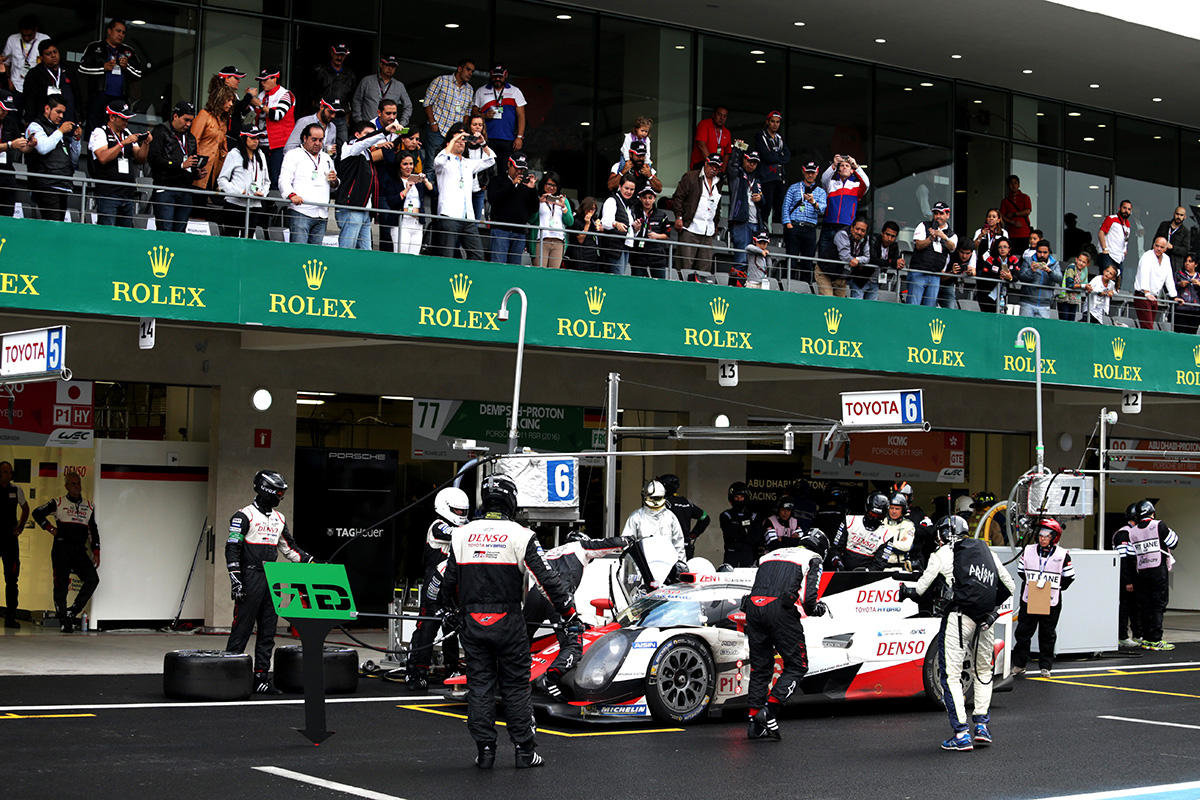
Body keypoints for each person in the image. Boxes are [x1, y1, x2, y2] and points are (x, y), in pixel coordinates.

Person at [436, 474, 580, 769]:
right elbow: (549, 580)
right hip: (509, 620)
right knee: (515, 687)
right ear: (510, 500)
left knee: (480, 687)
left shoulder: (461, 534)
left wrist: (451, 611)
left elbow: (446, 583)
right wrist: (569, 615)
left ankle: (485, 752)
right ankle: (525, 752)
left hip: (473, 622)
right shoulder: (521, 534)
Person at [898, 515, 1014, 751]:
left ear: (942, 534)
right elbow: (1010, 586)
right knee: (983, 671)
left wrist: (907, 591)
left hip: (959, 618)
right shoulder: (986, 552)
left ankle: (961, 733)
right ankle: (982, 726)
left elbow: (921, 589)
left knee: (950, 675)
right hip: (985, 618)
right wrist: (991, 611)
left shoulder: (941, 555)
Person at [224, 470, 314, 694]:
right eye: (278, 492)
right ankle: (230, 675)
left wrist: (312, 563)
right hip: (249, 576)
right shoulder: (243, 516)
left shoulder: (279, 519)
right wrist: (236, 579)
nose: (280, 496)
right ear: (265, 489)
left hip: (272, 577)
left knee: (268, 631)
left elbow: (289, 549)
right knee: (241, 629)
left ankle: (261, 678)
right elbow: (232, 548)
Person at [744, 531, 829, 741]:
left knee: (760, 666)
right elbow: (809, 602)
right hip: (779, 610)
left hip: (753, 607)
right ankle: (769, 710)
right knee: (798, 665)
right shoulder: (813, 558)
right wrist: (819, 609)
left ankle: (754, 723)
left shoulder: (771, 554)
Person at [407, 487, 470, 691]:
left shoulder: (466, 528)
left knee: (453, 628)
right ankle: (416, 671)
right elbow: (460, 535)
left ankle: (452, 669)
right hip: (433, 585)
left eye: (463, 511)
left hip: (454, 587)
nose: (461, 515)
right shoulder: (438, 526)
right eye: (457, 511)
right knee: (427, 629)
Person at [33, 472, 100, 633]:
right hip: (61, 549)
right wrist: (50, 528)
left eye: (78, 483)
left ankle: (72, 612)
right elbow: (37, 513)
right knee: (61, 585)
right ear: (67, 486)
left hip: (79, 550)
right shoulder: (58, 502)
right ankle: (64, 621)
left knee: (92, 579)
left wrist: (97, 550)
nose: (77, 487)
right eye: (73, 484)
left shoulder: (89, 506)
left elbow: (93, 530)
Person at [1012, 518, 1074, 678]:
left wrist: (1053, 587)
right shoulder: (1028, 550)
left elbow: (1069, 576)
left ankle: (1045, 666)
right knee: (1023, 632)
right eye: (1040, 535)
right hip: (1030, 596)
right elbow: (1021, 571)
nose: (1043, 538)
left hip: (1051, 599)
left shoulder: (1063, 554)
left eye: (1047, 536)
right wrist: (1035, 585)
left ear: (1054, 537)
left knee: (1047, 634)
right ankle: (1019, 664)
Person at [336, 118, 399, 250]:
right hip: (351, 208)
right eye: (367, 134)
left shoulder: (368, 153)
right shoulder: (350, 147)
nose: (372, 138)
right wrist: (384, 131)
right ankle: (341, 271)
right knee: (346, 250)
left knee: (366, 253)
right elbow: (364, 142)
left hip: (365, 210)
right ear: (357, 135)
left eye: (373, 134)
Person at [1126, 499, 1179, 651]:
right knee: (1158, 605)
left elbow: (1131, 555)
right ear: (1152, 513)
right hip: (1158, 570)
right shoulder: (1158, 525)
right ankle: (1156, 639)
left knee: (1145, 605)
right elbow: (1173, 542)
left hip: (1142, 571)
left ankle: (1147, 639)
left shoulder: (1133, 531)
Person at [433, 129, 495, 260]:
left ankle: (470, 280)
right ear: (449, 143)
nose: (461, 142)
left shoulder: (468, 163)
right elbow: (438, 161)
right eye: (458, 140)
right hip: (449, 215)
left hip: (468, 218)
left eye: (463, 140)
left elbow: (490, 160)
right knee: (447, 256)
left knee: (477, 255)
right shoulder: (444, 161)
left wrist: (483, 143)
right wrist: (456, 138)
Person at [88, 100, 150, 227]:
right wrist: (122, 143)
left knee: (126, 234)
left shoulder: (126, 133)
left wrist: (146, 143)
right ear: (112, 117)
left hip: (127, 193)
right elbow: (102, 157)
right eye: (123, 118)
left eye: (127, 119)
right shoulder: (100, 132)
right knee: (108, 232)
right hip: (108, 193)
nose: (126, 122)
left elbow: (140, 158)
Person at [279, 122, 339, 245]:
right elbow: (283, 180)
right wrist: (291, 195)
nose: (318, 143)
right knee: (299, 253)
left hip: (322, 214)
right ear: (304, 138)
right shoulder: (293, 154)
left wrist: (335, 181)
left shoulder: (326, 158)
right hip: (301, 211)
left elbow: (335, 184)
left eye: (321, 140)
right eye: (314, 139)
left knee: (314, 256)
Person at [78, 19, 142, 128]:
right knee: (95, 130)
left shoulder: (128, 51)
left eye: (123, 32)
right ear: (109, 31)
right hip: (99, 96)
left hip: (120, 98)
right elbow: (82, 69)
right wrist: (103, 68)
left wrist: (127, 67)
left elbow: (139, 74)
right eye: (118, 31)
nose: (121, 35)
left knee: (117, 130)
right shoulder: (94, 47)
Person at [25, 97, 81, 221]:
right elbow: (43, 148)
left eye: (63, 113)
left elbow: (74, 160)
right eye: (58, 112)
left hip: (63, 184)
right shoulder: (35, 126)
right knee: (52, 227)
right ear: (47, 109)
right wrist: (60, 131)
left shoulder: (58, 130)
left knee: (58, 227)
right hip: (46, 185)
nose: (61, 116)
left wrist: (76, 140)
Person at [148, 101, 200, 232]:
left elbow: (190, 164)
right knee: (165, 231)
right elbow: (154, 160)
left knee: (181, 232)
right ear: (175, 116)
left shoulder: (191, 138)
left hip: (185, 190)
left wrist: (196, 172)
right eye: (186, 120)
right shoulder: (160, 131)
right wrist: (181, 165)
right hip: (165, 188)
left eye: (191, 121)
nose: (188, 124)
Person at [217, 125, 271, 237]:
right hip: (235, 204)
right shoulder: (234, 154)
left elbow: (267, 181)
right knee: (231, 240)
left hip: (254, 205)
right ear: (243, 138)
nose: (256, 141)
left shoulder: (261, 155)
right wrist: (237, 192)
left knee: (248, 239)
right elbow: (222, 179)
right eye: (252, 138)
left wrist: (263, 193)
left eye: (258, 138)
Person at [620, 479, 687, 571]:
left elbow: (678, 544)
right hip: (643, 568)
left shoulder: (670, 517)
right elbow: (626, 543)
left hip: (667, 567)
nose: (655, 502)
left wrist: (680, 567)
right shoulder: (636, 517)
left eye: (658, 498)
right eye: (652, 498)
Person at [673, 154, 723, 275]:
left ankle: (700, 293)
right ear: (706, 163)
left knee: (704, 268)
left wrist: (716, 223)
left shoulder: (719, 182)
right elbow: (678, 198)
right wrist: (679, 217)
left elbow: (717, 206)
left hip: (708, 231)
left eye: (717, 167)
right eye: (712, 165)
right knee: (685, 267)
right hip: (690, 228)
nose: (714, 169)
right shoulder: (691, 177)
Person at [487, 153, 539, 264]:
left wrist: (532, 190)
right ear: (509, 164)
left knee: (514, 269)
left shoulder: (526, 185)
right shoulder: (497, 180)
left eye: (522, 169)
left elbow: (534, 208)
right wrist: (511, 184)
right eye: (517, 168)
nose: (519, 172)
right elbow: (493, 199)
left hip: (519, 232)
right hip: (501, 230)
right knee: (498, 266)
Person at [781, 161, 827, 285]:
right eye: (808, 172)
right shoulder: (794, 188)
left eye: (812, 172)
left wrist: (813, 202)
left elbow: (822, 209)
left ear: (817, 173)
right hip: (794, 226)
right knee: (792, 259)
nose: (810, 175)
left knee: (807, 261)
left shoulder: (821, 192)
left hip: (810, 228)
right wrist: (788, 224)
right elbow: (785, 207)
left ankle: (805, 287)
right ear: (803, 172)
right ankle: (787, 285)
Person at [424, 59, 475, 165]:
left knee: (452, 165)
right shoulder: (441, 80)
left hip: (455, 135)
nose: (470, 73)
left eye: (472, 71)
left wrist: (463, 131)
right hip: (438, 130)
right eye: (468, 69)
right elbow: (427, 103)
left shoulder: (470, 89)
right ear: (460, 69)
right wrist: (433, 123)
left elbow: (467, 112)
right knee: (432, 164)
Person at [819, 154, 869, 261]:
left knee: (842, 258)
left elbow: (867, 183)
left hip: (846, 227)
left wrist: (856, 166)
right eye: (842, 165)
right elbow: (823, 180)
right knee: (824, 255)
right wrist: (834, 164)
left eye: (847, 165)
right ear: (838, 170)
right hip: (829, 224)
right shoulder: (831, 184)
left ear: (852, 171)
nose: (845, 167)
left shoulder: (856, 186)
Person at [473, 65, 525, 167]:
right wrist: (484, 115)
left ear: (505, 76)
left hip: (508, 139)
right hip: (486, 138)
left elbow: (521, 115)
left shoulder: (515, 91)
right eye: (495, 76)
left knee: (505, 171)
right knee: (486, 170)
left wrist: (519, 137)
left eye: (500, 77)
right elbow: (473, 112)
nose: (497, 79)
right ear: (491, 76)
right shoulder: (481, 91)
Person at [21, 40, 80, 130]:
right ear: (41, 57)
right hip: (44, 124)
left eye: (55, 52)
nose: (53, 56)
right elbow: (29, 100)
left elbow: (77, 94)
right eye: (48, 54)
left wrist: (78, 118)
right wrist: (30, 120)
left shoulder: (69, 70)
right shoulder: (34, 74)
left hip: (68, 121)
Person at [908, 202, 957, 306]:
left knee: (930, 309)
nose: (937, 216)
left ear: (948, 215)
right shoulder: (923, 225)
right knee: (913, 306)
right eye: (935, 213)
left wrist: (943, 237)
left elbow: (952, 247)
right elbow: (918, 245)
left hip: (935, 275)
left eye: (941, 213)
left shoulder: (951, 234)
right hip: (919, 272)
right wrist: (931, 238)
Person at [255, 68, 295, 192]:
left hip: (279, 145)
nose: (262, 83)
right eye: (261, 80)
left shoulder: (286, 94)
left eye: (265, 80)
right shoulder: (261, 95)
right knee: (261, 179)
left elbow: (277, 115)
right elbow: (249, 114)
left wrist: (259, 105)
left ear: (275, 78)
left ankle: (274, 209)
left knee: (276, 179)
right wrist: (249, 99)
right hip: (261, 144)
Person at [0, 461, 30, 628]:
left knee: (12, 579)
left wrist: (20, 526)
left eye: (10, 472)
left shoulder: (16, 489)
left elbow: (26, 509)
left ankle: (10, 617)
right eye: (4, 471)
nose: (7, 474)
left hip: (10, 540)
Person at [191, 85, 235, 193]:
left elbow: (223, 149)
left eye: (232, 101)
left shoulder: (223, 121)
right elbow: (193, 140)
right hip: (200, 167)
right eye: (228, 100)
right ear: (219, 99)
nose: (231, 104)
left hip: (214, 170)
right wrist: (195, 165)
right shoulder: (204, 115)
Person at [310, 43, 356, 144]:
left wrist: (348, 116)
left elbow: (351, 97)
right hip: (323, 114)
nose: (339, 57)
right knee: (320, 142)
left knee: (343, 145)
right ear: (332, 53)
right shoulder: (320, 71)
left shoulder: (350, 75)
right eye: (337, 54)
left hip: (341, 116)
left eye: (342, 55)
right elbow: (313, 93)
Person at [1132, 236, 1182, 329]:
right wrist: (1146, 293)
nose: (1158, 249)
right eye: (1156, 245)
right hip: (1142, 295)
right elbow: (1144, 274)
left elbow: (1169, 278)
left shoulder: (1166, 259)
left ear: (1166, 248)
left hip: (1154, 297)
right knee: (1148, 327)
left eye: (1162, 247)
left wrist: (1174, 296)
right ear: (1153, 245)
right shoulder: (1147, 256)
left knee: (1149, 326)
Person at [1111, 503, 1142, 648]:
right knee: (1124, 607)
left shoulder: (1134, 532)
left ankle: (1137, 634)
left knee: (1136, 607)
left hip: (1134, 578)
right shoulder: (1124, 534)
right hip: (1125, 579)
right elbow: (1123, 560)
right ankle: (1122, 636)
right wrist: (1127, 581)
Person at [656, 474, 709, 560]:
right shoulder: (687, 502)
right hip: (686, 547)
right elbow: (705, 517)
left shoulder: (664, 503)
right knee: (684, 572)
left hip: (669, 547)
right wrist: (693, 534)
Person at [726, 149, 764, 269]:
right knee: (741, 258)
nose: (752, 164)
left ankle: (748, 285)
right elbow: (731, 168)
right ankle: (737, 285)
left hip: (756, 224)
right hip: (740, 221)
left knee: (754, 260)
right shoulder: (737, 176)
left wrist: (761, 199)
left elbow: (764, 203)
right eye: (750, 161)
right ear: (744, 159)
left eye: (755, 162)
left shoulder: (757, 180)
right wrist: (737, 151)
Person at [352, 54, 411, 130]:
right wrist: (359, 122)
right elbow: (356, 101)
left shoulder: (399, 86)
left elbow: (408, 106)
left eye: (393, 66)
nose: (390, 68)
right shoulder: (367, 81)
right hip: (367, 127)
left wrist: (401, 124)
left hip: (390, 129)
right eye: (387, 65)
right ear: (381, 64)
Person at [837, 492, 892, 570]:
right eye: (872, 514)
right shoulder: (850, 521)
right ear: (867, 509)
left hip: (866, 575)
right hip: (842, 570)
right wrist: (836, 560)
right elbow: (836, 547)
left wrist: (866, 571)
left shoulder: (887, 535)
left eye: (878, 516)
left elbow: (880, 562)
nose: (874, 518)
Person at [391, 152, 432, 255]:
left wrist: (425, 181)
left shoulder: (417, 182)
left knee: (414, 257)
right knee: (401, 256)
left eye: (411, 164)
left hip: (417, 224)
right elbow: (392, 202)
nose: (408, 167)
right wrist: (406, 189)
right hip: (402, 223)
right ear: (399, 165)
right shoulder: (394, 181)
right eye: (405, 164)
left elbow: (433, 192)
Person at [754, 111, 790, 229]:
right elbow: (766, 156)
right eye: (773, 121)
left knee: (779, 206)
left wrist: (775, 156)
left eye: (778, 122)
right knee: (766, 206)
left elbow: (787, 156)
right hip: (766, 177)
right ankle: (762, 230)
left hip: (779, 178)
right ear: (767, 122)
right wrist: (779, 155)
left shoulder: (780, 138)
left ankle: (777, 232)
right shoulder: (761, 135)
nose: (775, 124)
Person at [530, 171, 573, 268]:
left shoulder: (563, 200)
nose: (551, 187)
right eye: (549, 184)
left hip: (558, 241)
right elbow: (531, 219)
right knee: (539, 273)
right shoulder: (538, 198)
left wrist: (563, 207)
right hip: (541, 239)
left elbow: (570, 222)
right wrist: (539, 203)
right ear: (543, 184)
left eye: (554, 185)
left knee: (553, 274)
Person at [0, 92, 32, 216]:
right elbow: (12, 144)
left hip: (7, 174)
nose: (5, 112)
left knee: (7, 213)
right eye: (3, 109)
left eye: (8, 110)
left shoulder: (10, 122)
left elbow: (22, 148)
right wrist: (10, 145)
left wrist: (30, 145)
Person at [630, 186, 672, 279]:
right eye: (644, 198)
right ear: (640, 198)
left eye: (650, 198)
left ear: (654, 198)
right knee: (638, 285)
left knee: (659, 286)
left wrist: (657, 236)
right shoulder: (633, 212)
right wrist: (635, 229)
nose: (647, 201)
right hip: (638, 255)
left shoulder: (662, 215)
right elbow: (628, 232)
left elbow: (667, 235)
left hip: (657, 256)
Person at [2, 15, 49, 97]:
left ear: (36, 30)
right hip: (15, 86)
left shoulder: (45, 39)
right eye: (23, 35)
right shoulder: (12, 39)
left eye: (29, 35)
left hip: (37, 87)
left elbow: (51, 63)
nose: (26, 38)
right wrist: (8, 80)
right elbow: (6, 63)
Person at [600, 175, 638, 275]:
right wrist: (616, 224)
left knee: (621, 277)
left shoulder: (629, 205)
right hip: (614, 248)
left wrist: (636, 228)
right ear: (620, 187)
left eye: (632, 189)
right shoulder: (612, 200)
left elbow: (628, 226)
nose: (629, 191)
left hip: (625, 246)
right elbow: (605, 222)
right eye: (626, 188)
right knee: (617, 278)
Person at [1018, 239, 1063, 318]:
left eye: (1045, 252)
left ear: (1049, 252)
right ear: (1036, 251)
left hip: (1044, 305)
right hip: (1027, 303)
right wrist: (1031, 270)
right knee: (1025, 328)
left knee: (1042, 330)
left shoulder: (1054, 263)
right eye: (1039, 252)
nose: (1042, 255)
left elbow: (1059, 279)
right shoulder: (1028, 260)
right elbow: (1021, 277)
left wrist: (1049, 271)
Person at [976, 237, 1020, 314]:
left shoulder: (1013, 259)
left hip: (1006, 296)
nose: (1002, 249)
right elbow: (984, 276)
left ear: (1009, 249)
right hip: (989, 296)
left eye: (1005, 247)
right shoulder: (991, 259)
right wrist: (998, 277)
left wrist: (1010, 278)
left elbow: (1017, 276)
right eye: (1000, 247)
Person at [721, 481, 759, 568]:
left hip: (747, 554)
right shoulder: (726, 515)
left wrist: (739, 527)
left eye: (741, 497)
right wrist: (745, 529)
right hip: (731, 554)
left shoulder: (753, 516)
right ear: (731, 498)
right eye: (736, 497)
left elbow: (755, 537)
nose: (739, 500)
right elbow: (730, 534)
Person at [835, 215, 870, 299]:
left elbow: (867, 257)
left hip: (841, 277)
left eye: (863, 230)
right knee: (828, 301)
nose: (859, 232)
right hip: (826, 273)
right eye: (857, 229)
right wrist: (855, 260)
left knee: (839, 304)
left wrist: (857, 259)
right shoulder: (843, 234)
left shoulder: (865, 239)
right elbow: (844, 256)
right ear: (852, 228)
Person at [1097, 200, 1133, 279]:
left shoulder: (1128, 225)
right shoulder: (1111, 218)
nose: (1126, 211)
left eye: (1129, 209)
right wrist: (1105, 249)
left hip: (1119, 258)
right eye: (1124, 208)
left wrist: (1124, 251)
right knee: (1106, 280)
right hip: (1108, 255)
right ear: (1119, 208)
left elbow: (1125, 240)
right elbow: (1101, 233)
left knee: (1118, 282)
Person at [881, 492, 917, 569]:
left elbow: (906, 546)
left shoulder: (908, 525)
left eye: (897, 509)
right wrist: (897, 545)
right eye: (891, 508)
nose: (894, 511)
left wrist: (884, 543)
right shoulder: (881, 522)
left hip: (899, 566)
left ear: (903, 510)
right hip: (881, 565)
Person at [565, 197, 602, 271]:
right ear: (584, 208)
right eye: (590, 209)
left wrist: (600, 229)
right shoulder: (576, 219)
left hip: (593, 255)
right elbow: (580, 240)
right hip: (579, 256)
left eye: (594, 209)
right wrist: (587, 224)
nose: (591, 211)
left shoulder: (594, 220)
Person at [867, 220, 905, 291]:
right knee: (857, 301)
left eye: (893, 236)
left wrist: (900, 263)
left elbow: (896, 261)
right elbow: (873, 259)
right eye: (887, 234)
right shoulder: (873, 240)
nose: (889, 239)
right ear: (882, 233)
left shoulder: (894, 245)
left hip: (877, 282)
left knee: (872, 301)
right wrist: (892, 262)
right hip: (863, 279)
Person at [1000, 175, 1031, 254]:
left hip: (1024, 232)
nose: (1013, 185)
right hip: (1011, 233)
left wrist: (1014, 214)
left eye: (1015, 183)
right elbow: (1001, 216)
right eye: (1011, 183)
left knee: (1024, 255)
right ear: (1008, 186)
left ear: (1019, 184)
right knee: (1012, 256)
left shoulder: (1025, 197)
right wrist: (1012, 222)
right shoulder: (1005, 201)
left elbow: (1028, 211)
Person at [1055, 251, 1090, 322]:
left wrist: (1088, 288)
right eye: (1080, 260)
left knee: (1071, 322)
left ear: (1087, 264)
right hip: (1064, 299)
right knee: (1064, 322)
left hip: (1074, 300)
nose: (1081, 263)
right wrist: (1084, 286)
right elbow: (1070, 284)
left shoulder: (1085, 270)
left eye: (1084, 262)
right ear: (1076, 259)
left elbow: (1085, 283)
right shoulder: (1071, 267)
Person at [940, 242, 976, 309]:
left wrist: (970, 272)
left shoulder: (973, 254)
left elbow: (973, 271)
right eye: (962, 252)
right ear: (958, 250)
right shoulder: (949, 254)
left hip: (949, 285)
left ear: (971, 252)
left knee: (951, 310)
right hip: (936, 283)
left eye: (967, 253)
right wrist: (952, 272)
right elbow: (940, 277)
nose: (964, 256)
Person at [1154, 206, 1189, 272]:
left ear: (1185, 217)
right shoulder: (1164, 225)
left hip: (1174, 266)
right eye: (1177, 214)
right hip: (1159, 261)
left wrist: (1172, 247)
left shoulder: (1185, 232)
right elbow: (1155, 241)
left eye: (1181, 215)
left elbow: (1185, 250)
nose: (1179, 217)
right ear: (1174, 214)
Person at [1174, 253, 1200, 335]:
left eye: (1190, 261)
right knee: (1179, 333)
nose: (1187, 263)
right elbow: (1171, 288)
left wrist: (1199, 284)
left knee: (1192, 334)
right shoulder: (1178, 274)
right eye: (1186, 261)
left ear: (1196, 264)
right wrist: (1179, 284)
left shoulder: (1199, 276)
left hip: (1195, 309)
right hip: (1181, 308)